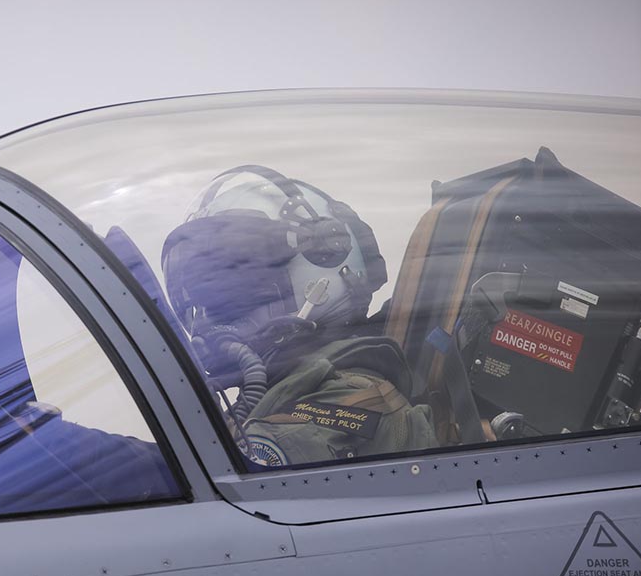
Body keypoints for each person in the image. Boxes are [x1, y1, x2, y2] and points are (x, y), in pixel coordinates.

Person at [160, 165, 437, 466]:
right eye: (204, 294)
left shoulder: (347, 402)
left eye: (234, 288)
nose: (206, 315)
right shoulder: (282, 393)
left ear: (319, 276)